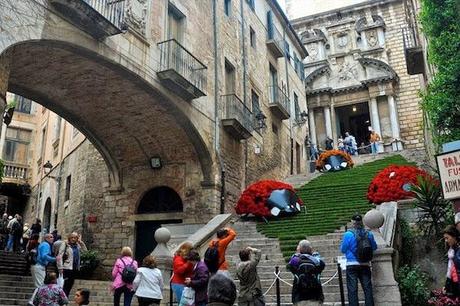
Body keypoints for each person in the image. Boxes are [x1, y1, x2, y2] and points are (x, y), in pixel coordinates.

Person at [340, 214, 377, 306]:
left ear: (353, 222)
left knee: (352, 289)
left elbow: (343, 249)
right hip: (365, 264)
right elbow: (374, 247)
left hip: (352, 264)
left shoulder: (348, 234)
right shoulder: (369, 234)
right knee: (367, 288)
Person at [287, 240, 325, 305]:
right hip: (315, 296)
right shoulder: (316, 261)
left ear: (299, 249)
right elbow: (322, 265)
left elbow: (289, 266)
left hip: (299, 296)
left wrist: (298, 252)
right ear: (310, 249)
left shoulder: (296, 260)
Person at [57, 232, 87, 297]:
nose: (73, 239)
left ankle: (64, 300)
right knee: (66, 286)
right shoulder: (65, 244)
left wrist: (81, 242)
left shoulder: (78, 245)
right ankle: (63, 301)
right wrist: (60, 267)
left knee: (70, 285)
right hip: (67, 268)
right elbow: (59, 256)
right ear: (69, 238)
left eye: (75, 238)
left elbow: (85, 252)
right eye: (72, 237)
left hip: (74, 269)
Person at [443, 225, 460, 297]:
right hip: (456, 287)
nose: (446, 241)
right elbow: (450, 270)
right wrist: (447, 286)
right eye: (445, 238)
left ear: (454, 237)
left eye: (447, 238)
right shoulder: (451, 251)